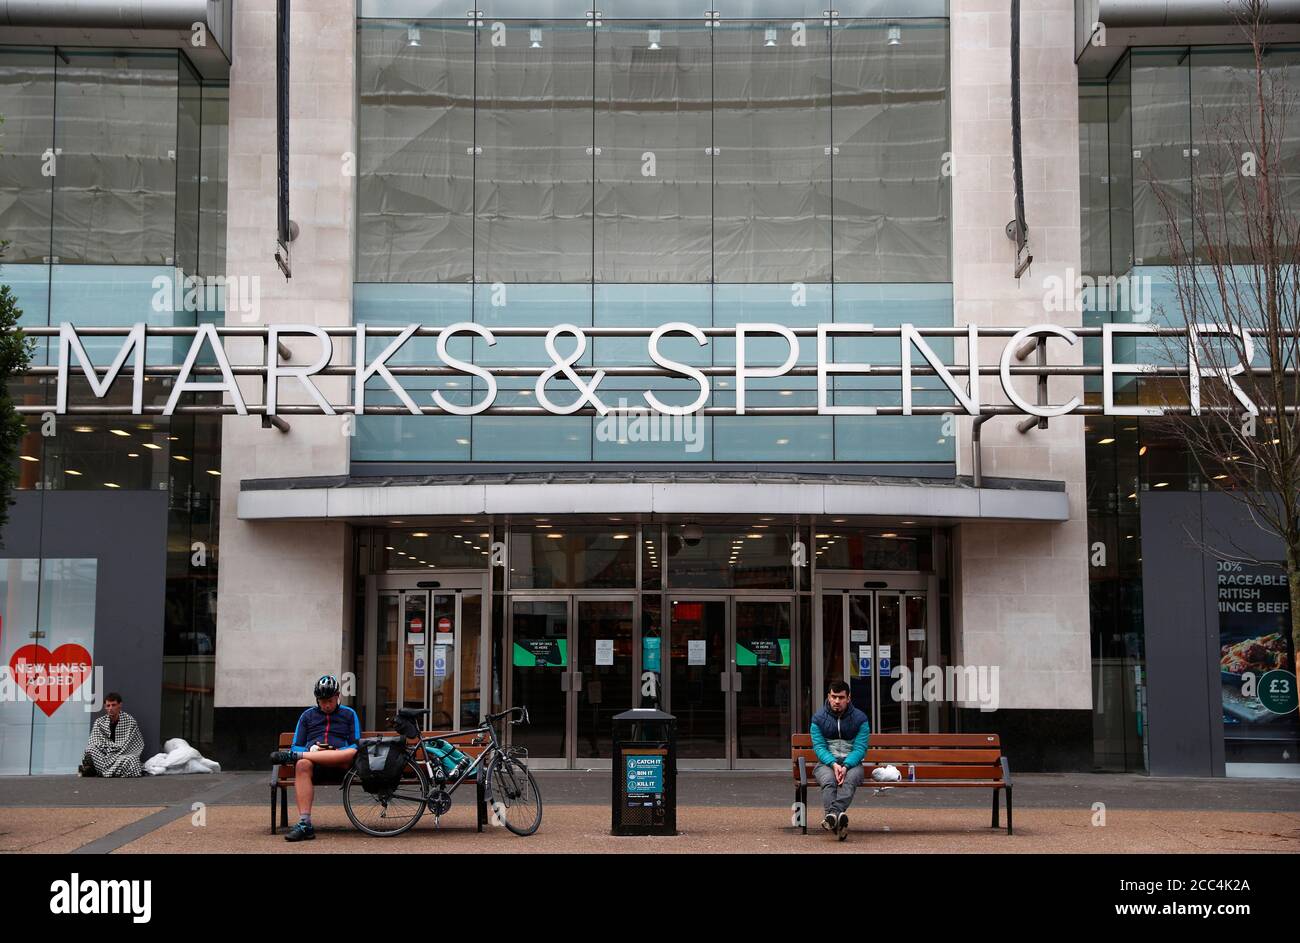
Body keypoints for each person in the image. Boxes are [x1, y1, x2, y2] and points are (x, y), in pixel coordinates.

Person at [269, 675, 361, 842]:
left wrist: (335, 750)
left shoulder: (349, 714)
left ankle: (301, 757)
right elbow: (296, 745)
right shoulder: (307, 716)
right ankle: (305, 824)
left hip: (341, 766)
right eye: (322, 701)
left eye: (330, 701)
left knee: (350, 753)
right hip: (315, 768)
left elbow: (356, 745)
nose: (326, 705)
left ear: (338, 696)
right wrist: (311, 750)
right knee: (302, 763)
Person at [809, 679, 871, 841]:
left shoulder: (860, 719)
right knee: (829, 780)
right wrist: (834, 764)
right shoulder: (818, 719)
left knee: (850, 780)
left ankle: (832, 816)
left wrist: (846, 766)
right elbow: (820, 748)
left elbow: (860, 748)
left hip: (853, 764)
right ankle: (838, 820)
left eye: (841, 697)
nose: (837, 701)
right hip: (826, 763)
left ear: (848, 698)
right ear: (828, 697)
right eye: (834, 697)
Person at [79, 692, 145, 778]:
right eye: (108, 705)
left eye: (113, 705)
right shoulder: (99, 722)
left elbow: (135, 745)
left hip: (121, 756)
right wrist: (110, 749)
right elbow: (94, 742)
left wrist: (115, 750)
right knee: (90, 749)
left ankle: (101, 772)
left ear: (120, 705)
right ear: (105, 707)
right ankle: (114, 772)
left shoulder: (130, 721)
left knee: (132, 760)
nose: (110, 708)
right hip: (105, 755)